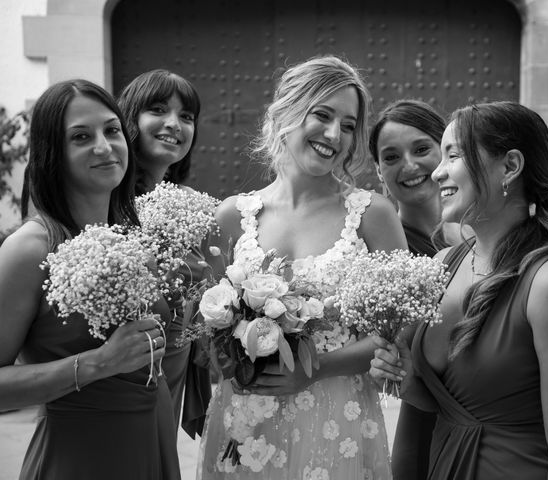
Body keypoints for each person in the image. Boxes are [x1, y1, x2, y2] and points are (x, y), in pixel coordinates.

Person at [370, 101, 548, 480]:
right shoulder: (444, 263)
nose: (437, 173)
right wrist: (404, 374)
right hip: (442, 465)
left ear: (510, 167)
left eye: (454, 155)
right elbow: (439, 405)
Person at [198, 55, 407, 479]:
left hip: (336, 418)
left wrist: (314, 370)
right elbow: (205, 335)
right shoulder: (231, 217)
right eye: (323, 115)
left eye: (348, 126)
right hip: (246, 421)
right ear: (288, 112)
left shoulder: (373, 215)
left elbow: (398, 331)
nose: (335, 135)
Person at [0, 79, 180, 479]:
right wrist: (97, 363)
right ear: (53, 154)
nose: (104, 146)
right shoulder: (29, 249)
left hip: (152, 447)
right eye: (81, 136)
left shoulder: (135, 237)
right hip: (80, 460)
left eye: (112, 130)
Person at [118, 69, 212, 438]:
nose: (174, 124)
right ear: (129, 119)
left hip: (173, 368)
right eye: (158, 110)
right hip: (124, 374)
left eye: (186, 117)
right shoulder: (105, 202)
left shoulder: (193, 206)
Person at [369, 99, 446, 480]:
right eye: (391, 157)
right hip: (423, 422)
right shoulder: (376, 254)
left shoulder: (491, 235)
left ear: (447, 151)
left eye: (421, 149)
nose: (410, 166)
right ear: (379, 171)